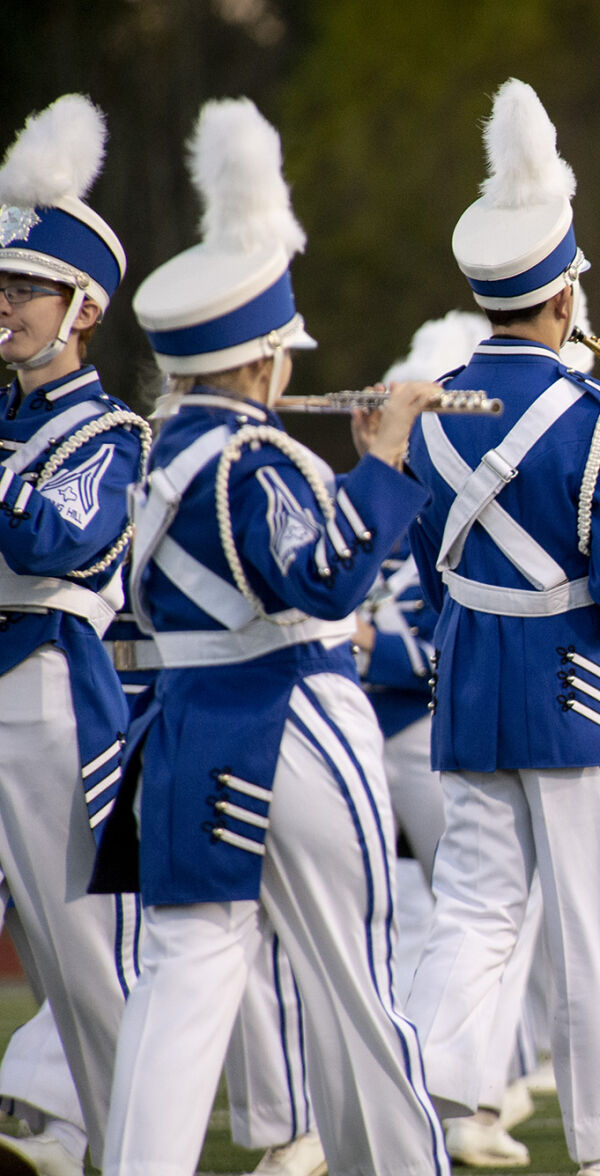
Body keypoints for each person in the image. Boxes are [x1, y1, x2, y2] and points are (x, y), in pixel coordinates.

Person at [94, 97, 447, 1175]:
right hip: (290, 713)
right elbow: (329, 578)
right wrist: (383, 460)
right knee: (356, 975)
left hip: (188, 733)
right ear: (263, 363)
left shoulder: (148, 456)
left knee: (188, 970)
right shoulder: (256, 460)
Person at [398, 79, 600, 1176]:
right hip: (568, 682)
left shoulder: (433, 408)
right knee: (589, 933)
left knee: (470, 910)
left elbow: (425, 561)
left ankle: (414, 1101)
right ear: (565, 299)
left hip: (466, 678)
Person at [0, 93, 146, 1176]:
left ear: (84, 308)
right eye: (1, 284)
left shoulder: (110, 432)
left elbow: (60, 537)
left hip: (47, 694)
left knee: (79, 964)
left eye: (29, 290)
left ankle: (134, 1144)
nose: (6, 303)